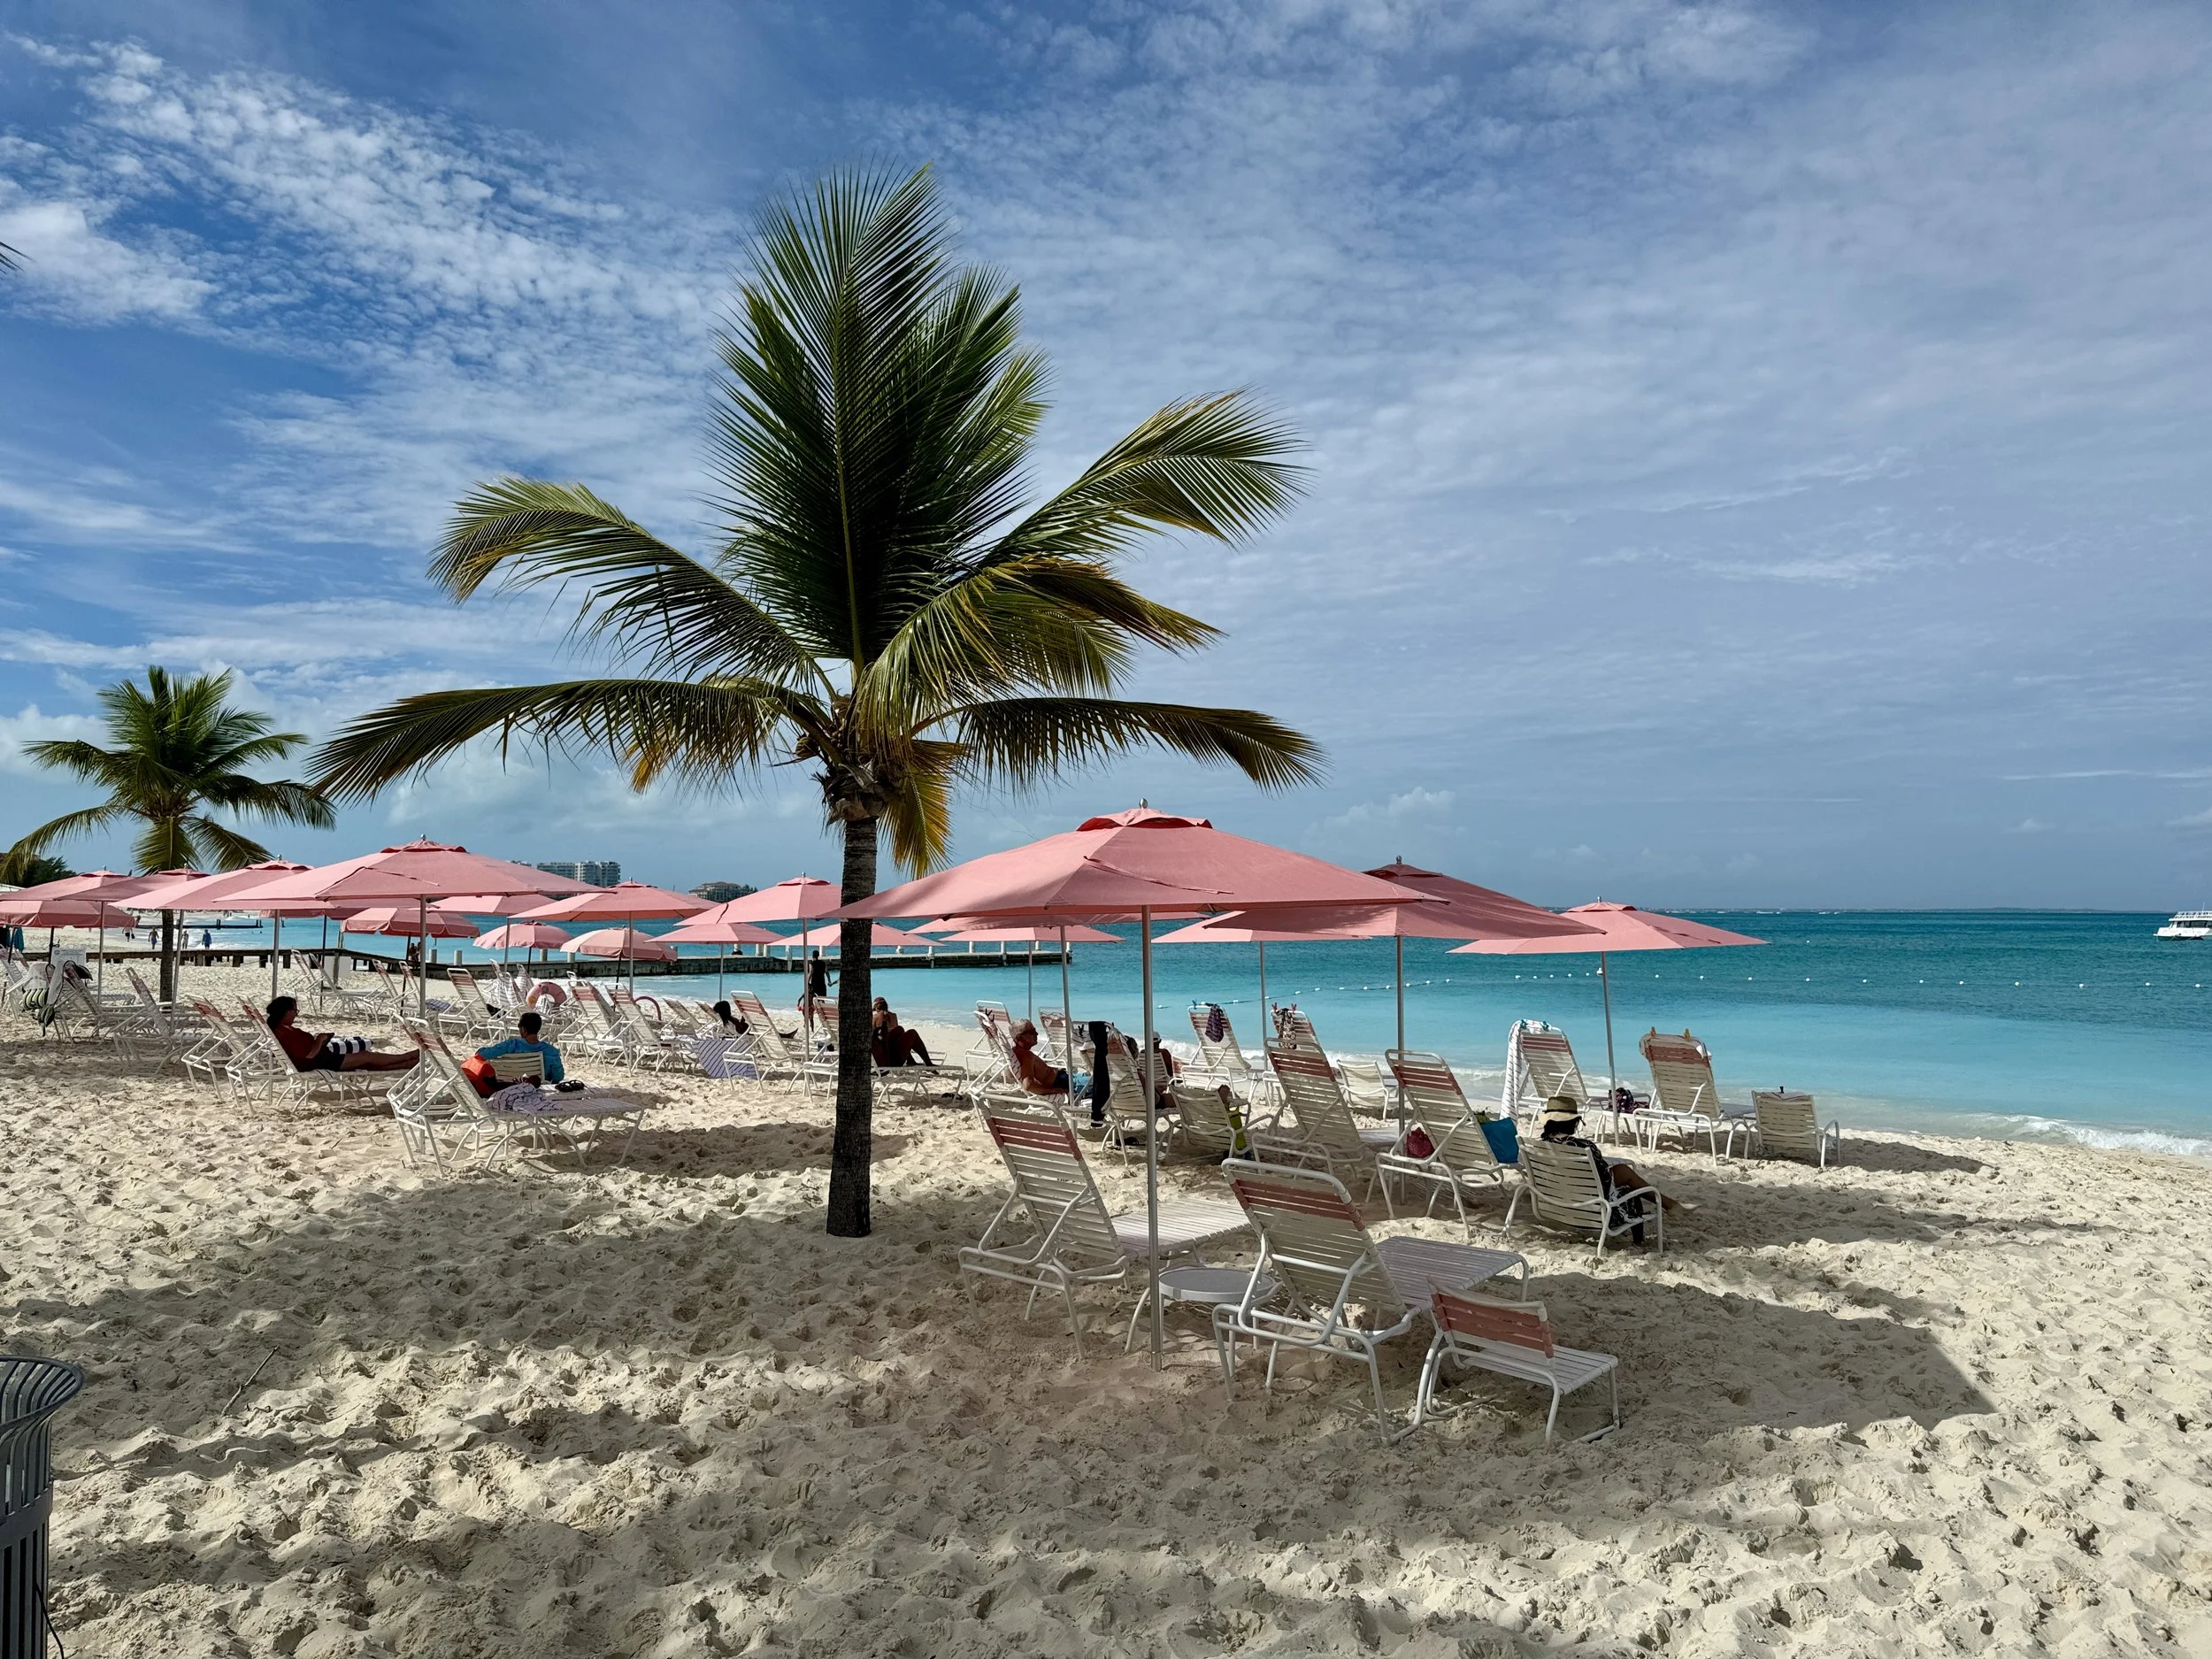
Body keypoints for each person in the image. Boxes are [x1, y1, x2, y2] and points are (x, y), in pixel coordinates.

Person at [1536, 1096, 1696, 1240]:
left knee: (1620, 1171)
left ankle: (1670, 1205)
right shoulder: (1583, 1146)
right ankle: (1653, 1225)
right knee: (1626, 1183)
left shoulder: (1537, 1148)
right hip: (1592, 1210)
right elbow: (1602, 1180)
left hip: (1555, 1205)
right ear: (1573, 1122)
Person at [265, 995, 419, 1073]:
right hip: (322, 1062)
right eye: (295, 1011)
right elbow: (309, 1055)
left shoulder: (278, 1028)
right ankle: (408, 1057)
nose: (296, 1015)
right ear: (286, 1012)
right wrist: (319, 1040)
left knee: (366, 1062)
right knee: (366, 1056)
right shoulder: (286, 1032)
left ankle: (408, 1063)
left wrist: (321, 1041)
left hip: (322, 1059)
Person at [475, 1010, 565, 1083]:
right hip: (538, 1089)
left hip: (509, 1086)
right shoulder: (551, 1051)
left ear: (523, 1029)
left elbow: (481, 1055)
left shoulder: (511, 1045)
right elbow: (558, 1077)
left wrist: (481, 1050)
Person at [1011, 1019, 1077, 1096]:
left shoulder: (1015, 1052)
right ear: (1020, 1038)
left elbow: (1010, 1075)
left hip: (1063, 1078)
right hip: (1063, 1081)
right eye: (1032, 1032)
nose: (1037, 1034)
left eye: (1035, 1030)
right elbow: (1028, 1085)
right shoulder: (1027, 1056)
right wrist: (1053, 1090)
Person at [870, 997, 933, 1067]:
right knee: (911, 1032)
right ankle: (928, 1063)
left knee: (900, 1030)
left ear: (875, 1008)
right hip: (888, 1061)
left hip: (883, 1058)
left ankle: (911, 1060)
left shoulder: (875, 1018)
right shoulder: (891, 1016)